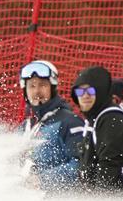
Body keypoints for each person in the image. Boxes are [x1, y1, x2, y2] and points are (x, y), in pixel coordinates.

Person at [18, 60, 84, 191]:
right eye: (31, 86)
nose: (36, 91)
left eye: (42, 85)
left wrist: (43, 180)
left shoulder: (69, 122)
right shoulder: (25, 126)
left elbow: (80, 165)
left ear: (52, 88)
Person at [71, 66, 123, 189]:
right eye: (80, 91)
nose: (85, 96)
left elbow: (110, 165)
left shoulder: (112, 118)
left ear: (100, 90)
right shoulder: (94, 119)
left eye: (90, 91)